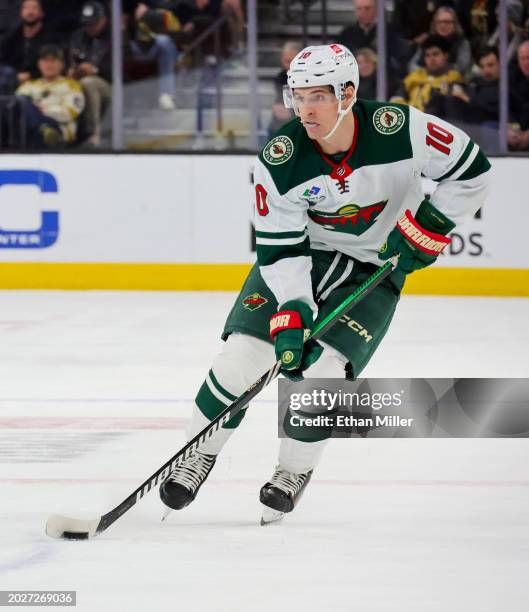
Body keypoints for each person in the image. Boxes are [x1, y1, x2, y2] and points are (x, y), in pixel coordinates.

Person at [158, 43, 491, 523]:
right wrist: (292, 311)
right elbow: (278, 248)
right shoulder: (280, 158)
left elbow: (474, 172)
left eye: (317, 96)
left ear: (348, 93)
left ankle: (293, 471)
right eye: (298, 96)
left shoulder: (401, 129)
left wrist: (428, 228)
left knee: (320, 377)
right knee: (241, 360)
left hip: (374, 266)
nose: (305, 109)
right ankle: (199, 453)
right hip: (304, 256)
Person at [15, 44, 85, 148]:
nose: (49, 64)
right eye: (45, 60)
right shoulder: (28, 85)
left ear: (62, 64)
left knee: (24, 103)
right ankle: (43, 128)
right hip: (28, 131)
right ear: (39, 64)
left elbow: (70, 112)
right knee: (20, 101)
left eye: (53, 60)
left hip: (58, 128)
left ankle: (45, 129)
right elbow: (15, 109)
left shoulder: (71, 85)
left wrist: (44, 110)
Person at [68, 1, 112, 146]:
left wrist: (95, 70)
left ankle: (96, 133)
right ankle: (69, 134)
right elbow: (71, 58)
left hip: (112, 84)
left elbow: (126, 65)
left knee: (89, 82)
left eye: (93, 23)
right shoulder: (78, 36)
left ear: (103, 20)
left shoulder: (116, 35)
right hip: (80, 80)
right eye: (87, 23)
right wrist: (73, 70)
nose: (90, 27)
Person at [337, 0, 410, 78]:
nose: (363, 12)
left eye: (367, 8)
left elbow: (398, 62)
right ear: (355, 11)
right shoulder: (346, 34)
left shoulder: (391, 32)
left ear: (377, 10)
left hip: (385, 81)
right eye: (359, 9)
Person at [393, 35, 465, 113]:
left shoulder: (454, 78)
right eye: (427, 55)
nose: (431, 59)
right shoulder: (415, 76)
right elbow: (396, 99)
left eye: (435, 54)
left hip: (436, 121)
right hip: (409, 118)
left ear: (446, 56)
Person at [0, 0, 59, 90]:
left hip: (40, 79)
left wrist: (31, 75)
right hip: (12, 77)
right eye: (26, 8)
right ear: (21, 13)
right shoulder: (12, 37)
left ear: (41, 13)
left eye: (34, 8)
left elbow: (55, 65)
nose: (30, 12)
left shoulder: (50, 38)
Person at [408, 6, 473, 78]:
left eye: (447, 22)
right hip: (425, 80)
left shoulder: (463, 43)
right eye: (439, 22)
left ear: (455, 24)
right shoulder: (427, 40)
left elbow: (461, 68)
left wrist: (436, 72)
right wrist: (426, 74)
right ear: (434, 24)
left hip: (452, 82)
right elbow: (412, 65)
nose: (443, 25)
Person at [442, 46, 499, 124]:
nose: (486, 70)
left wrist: (466, 98)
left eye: (490, 65)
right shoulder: (477, 82)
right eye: (482, 67)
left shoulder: (506, 86)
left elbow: (494, 111)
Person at [268, 41, 302, 136]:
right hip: (282, 123)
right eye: (285, 61)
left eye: (291, 61)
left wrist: (290, 112)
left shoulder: (309, 79)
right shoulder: (281, 77)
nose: (288, 65)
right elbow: (280, 101)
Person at [508, 40, 529, 150]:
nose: (526, 62)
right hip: (518, 131)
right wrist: (510, 128)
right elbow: (506, 107)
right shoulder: (513, 78)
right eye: (523, 58)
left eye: (528, 58)